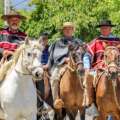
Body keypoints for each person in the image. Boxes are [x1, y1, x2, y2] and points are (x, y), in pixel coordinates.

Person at [44, 22, 90, 108]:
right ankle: (56, 100)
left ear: (73, 30)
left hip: (77, 64)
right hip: (61, 64)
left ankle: (86, 98)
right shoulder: (58, 42)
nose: (68, 30)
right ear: (63, 31)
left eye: (70, 29)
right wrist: (65, 59)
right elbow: (54, 55)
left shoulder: (78, 42)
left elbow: (84, 53)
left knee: (87, 78)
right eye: (66, 29)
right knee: (54, 77)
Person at [86, 20, 120, 119]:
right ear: (100, 29)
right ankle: (91, 107)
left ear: (110, 29)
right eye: (102, 28)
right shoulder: (96, 41)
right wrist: (87, 67)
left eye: (106, 27)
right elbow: (87, 55)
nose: (104, 29)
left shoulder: (118, 40)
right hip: (99, 67)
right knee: (88, 79)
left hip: (117, 67)